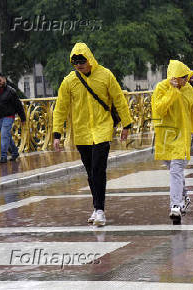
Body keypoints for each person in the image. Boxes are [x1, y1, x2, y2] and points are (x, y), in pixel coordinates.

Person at [53, 43, 133, 226]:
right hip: (81, 133)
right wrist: (56, 133)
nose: (79, 65)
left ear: (89, 59)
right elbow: (61, 108)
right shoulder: (69, 81)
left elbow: (119, 99)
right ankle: (96, 207)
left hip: (102, 129)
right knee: (90, 172)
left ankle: (100, 209)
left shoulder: (105, 75)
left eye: (82, 61)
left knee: (98, 169)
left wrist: (126, 124)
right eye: (75, 62)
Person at [151, 60, 193, 224]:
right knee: (174, 169)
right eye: (183, 77)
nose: (187, 80)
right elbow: (159, 109)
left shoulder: (190, 90)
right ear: (174, 77)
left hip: (183, 135)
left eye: (187, 77)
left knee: (176, 169)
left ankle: (175, 205)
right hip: (165, 136)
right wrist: (172, 92)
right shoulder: (161, 88)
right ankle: (184, 196)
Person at [0, 73, 26, 164]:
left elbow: (18, 105)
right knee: (7, 136)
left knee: (4, 135)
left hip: (9, 117)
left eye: (0, 81)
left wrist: (23, 118)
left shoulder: (11, 91)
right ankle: (14, 152)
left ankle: (3, 157)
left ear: (4, 79)